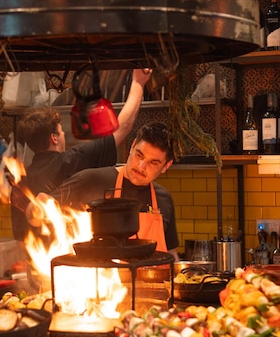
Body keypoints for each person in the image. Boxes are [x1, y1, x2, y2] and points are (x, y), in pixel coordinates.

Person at [11, 68, 151, 241]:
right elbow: (122, 128)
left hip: (38, 262)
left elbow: (19, 237)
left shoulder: (21, 181)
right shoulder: (73, 160)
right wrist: (138, 82)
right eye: (61, 132)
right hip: (72, 257)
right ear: (54, 138)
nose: (64, 135)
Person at [31, 122, 179, 258]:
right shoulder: (90, 180)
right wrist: (36, 209)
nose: (141, 166)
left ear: (166, 165)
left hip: (153, 284)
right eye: (139, 155)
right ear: (133, 146)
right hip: (108, 285)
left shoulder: (163, 199)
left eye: (153, 162)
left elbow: (171, 253)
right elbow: (35, 215)